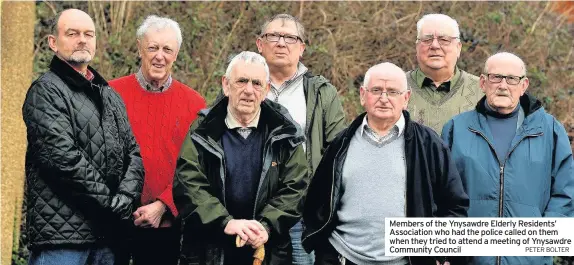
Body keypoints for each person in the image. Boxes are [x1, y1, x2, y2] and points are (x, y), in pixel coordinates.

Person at [303, 62, 468, 265]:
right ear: (363, 95)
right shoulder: (341, 143)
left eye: (392, 91)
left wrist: (442, 253)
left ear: (405, 98)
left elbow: (454, 205)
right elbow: (316, 203)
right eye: (376, 90)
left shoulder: (428, 144)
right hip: (343, 258)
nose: (384, 98)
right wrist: (324, 252)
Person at [22, 8, 143, 265]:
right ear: (53, 42)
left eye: (89, 34)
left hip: (109, 240)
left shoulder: (109, 95)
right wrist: (111, 204)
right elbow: (63, 159)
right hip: (62, 241)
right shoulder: (45, 91)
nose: (82, 39)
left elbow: (133, 154)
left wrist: (127, 196)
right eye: (73, 33)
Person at [173, 51, 309, 265]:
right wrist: (225, 222)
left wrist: (266, 226)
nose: (248, 90)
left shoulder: (284, 132)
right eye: (242, 81)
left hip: (267, 251)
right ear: (226, 85)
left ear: (265, 90)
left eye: (256, 83)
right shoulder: (203, 129)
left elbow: (296, 186)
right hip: (210, 251)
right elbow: (187, 182)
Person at [441, 52, 574, 265]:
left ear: (524, 86)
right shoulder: (456, 128)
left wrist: (539, 249)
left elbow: (566, 195)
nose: (503, 85)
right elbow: (441, 195)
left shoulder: (550, 131)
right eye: (496, 77)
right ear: (483, 82)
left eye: (512, 79)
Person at [109, 15, 206, 265]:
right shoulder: (110, 94)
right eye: (152, 47)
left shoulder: (194, 104)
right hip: (112, 220)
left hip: (164, 223)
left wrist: (164, 205)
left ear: (176, 54)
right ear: (140, 48)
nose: (159, 56)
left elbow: (198, 166)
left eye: (167, 49)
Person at [256, 14, 346, 265]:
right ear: (259, 44)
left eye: (290, 38)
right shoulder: (243, 84)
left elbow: (339, 151)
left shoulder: (321, 92)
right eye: (273, 36)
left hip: (302, 211)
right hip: (251, 210)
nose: (281, 43)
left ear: (302, 48)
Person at [406, 13, 483, 133]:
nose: (435, 45)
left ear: (458, 48)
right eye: (427, 39)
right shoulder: (394, 88)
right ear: (417, 47)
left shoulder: (483, 91)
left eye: (444, 40)